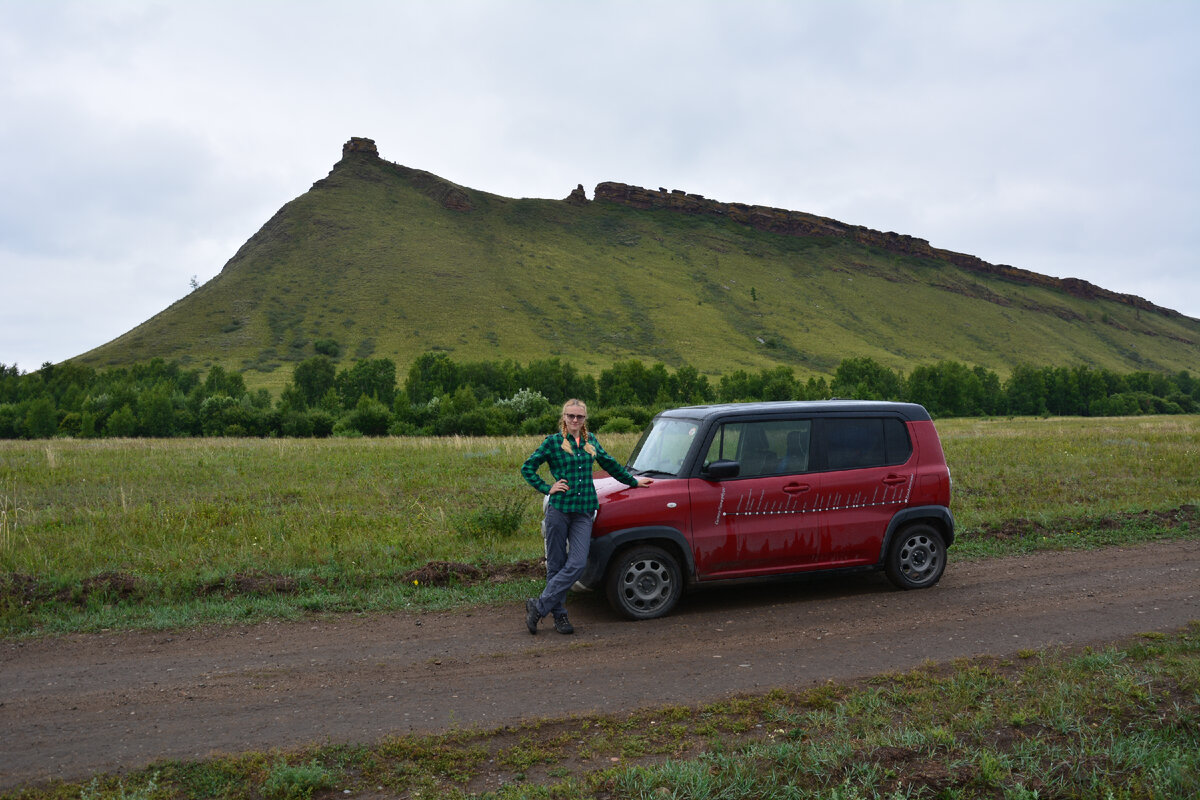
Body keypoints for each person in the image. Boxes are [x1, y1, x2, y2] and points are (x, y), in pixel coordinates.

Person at [520, 399, 652, 634]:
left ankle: (538, 606)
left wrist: (634, 481)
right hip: (559, 511)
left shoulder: (591, 442)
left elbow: (611, 465)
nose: (574, 420)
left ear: (584, 420)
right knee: (556, 564)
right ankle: (560, 615)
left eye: (579, 417)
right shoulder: (553, 443)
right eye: (570, 416)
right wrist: (547, 487)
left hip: (583, 511)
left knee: (577, 564)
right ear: (564, 417)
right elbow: (527, 467)